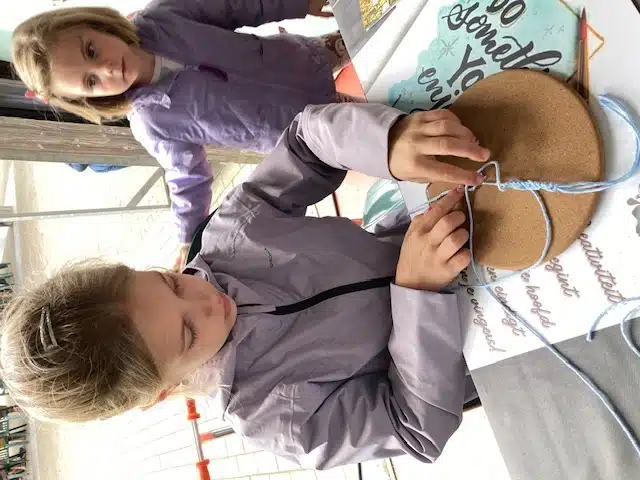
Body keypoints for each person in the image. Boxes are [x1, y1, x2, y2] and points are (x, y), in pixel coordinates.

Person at [0, 103, 489, 468]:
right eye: (188, 333)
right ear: (163, 391)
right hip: (489, 349)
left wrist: (385, 143)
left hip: (463, 230)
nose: (206, 301)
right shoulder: (272, 418)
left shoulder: (233, 235)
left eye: (172, 283)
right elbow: (414, 429)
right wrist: (417, 293)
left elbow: (306, 143)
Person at [11, 1, 352, 270]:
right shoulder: (152, 123)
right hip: (306, 122)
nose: (107, 69)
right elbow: (187, 177)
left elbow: (237, 4)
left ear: (97, 25)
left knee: (372, 30)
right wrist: (187, 237)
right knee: (376, 117)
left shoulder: (163, 16)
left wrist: (298, 2)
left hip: (305, 57)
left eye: (91, 51)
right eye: (91, 81)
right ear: (90, 99)